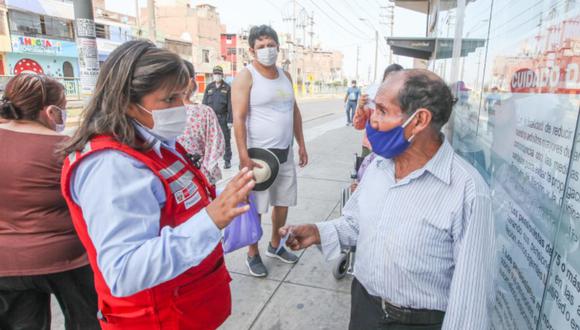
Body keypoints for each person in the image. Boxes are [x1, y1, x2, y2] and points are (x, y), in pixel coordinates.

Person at [59, 40, 254, 329]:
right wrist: (210, 220)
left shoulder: (152, 142)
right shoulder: (111, 167)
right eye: (169, 100)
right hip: (157, 318)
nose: (182, 108)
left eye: (182, 96)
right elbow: (124, 270)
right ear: (126, 101)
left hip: (188, 308)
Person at [281, 69, 494, 329]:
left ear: (419, 121)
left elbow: (469, 304)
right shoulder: (378, 167)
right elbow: (357, 224)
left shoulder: (468, 192)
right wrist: (318, 231)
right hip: (364, 309)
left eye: (382, 110)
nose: (373, 121)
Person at [0, 73, 99, 329]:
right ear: (51, 111)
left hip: (5, 263)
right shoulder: (66, 148)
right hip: (67, 258)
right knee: (87, 322)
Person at [232, 25, 308, 277]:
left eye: (270, 45)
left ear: (278, 46)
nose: (267, 50)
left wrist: (301, 144)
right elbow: (239, 118)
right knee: (258, 206)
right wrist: (243, 155)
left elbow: (294, 110)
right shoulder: (247, 75)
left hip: (284, 153)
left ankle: (276, 245)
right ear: (252, 50)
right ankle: (252, 252)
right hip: (259, 157)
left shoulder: (285, 75)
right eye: (261, 46)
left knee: (283, 202)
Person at [178, 60, 226, 184]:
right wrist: (207, 169)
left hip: (176, 175)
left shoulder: (156, 111)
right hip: (199, 174)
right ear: (192, 82)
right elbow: (216, 144)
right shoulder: (204, 111)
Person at [353, 64, 404, 157]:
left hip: (394, 149)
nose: (392, 85)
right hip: (370, 148)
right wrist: (360, 107)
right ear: (383, 81)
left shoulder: (406, 102)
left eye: (396, 81)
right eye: (389, 81)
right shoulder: (372, 98)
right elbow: (358, 125)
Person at [203, 65, 233, 169]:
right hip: (211, 118)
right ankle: (211, 161)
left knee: (226, 139)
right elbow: (204, 103)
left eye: (219, 74)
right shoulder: (209, 87)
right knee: (210, 140)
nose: (217, 76)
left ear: (222, 75)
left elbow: (230, 105)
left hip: (223, 118)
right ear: (212, 75)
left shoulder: (227, 88)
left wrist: (230, 120)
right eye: (215, 74)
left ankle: (227, 160)